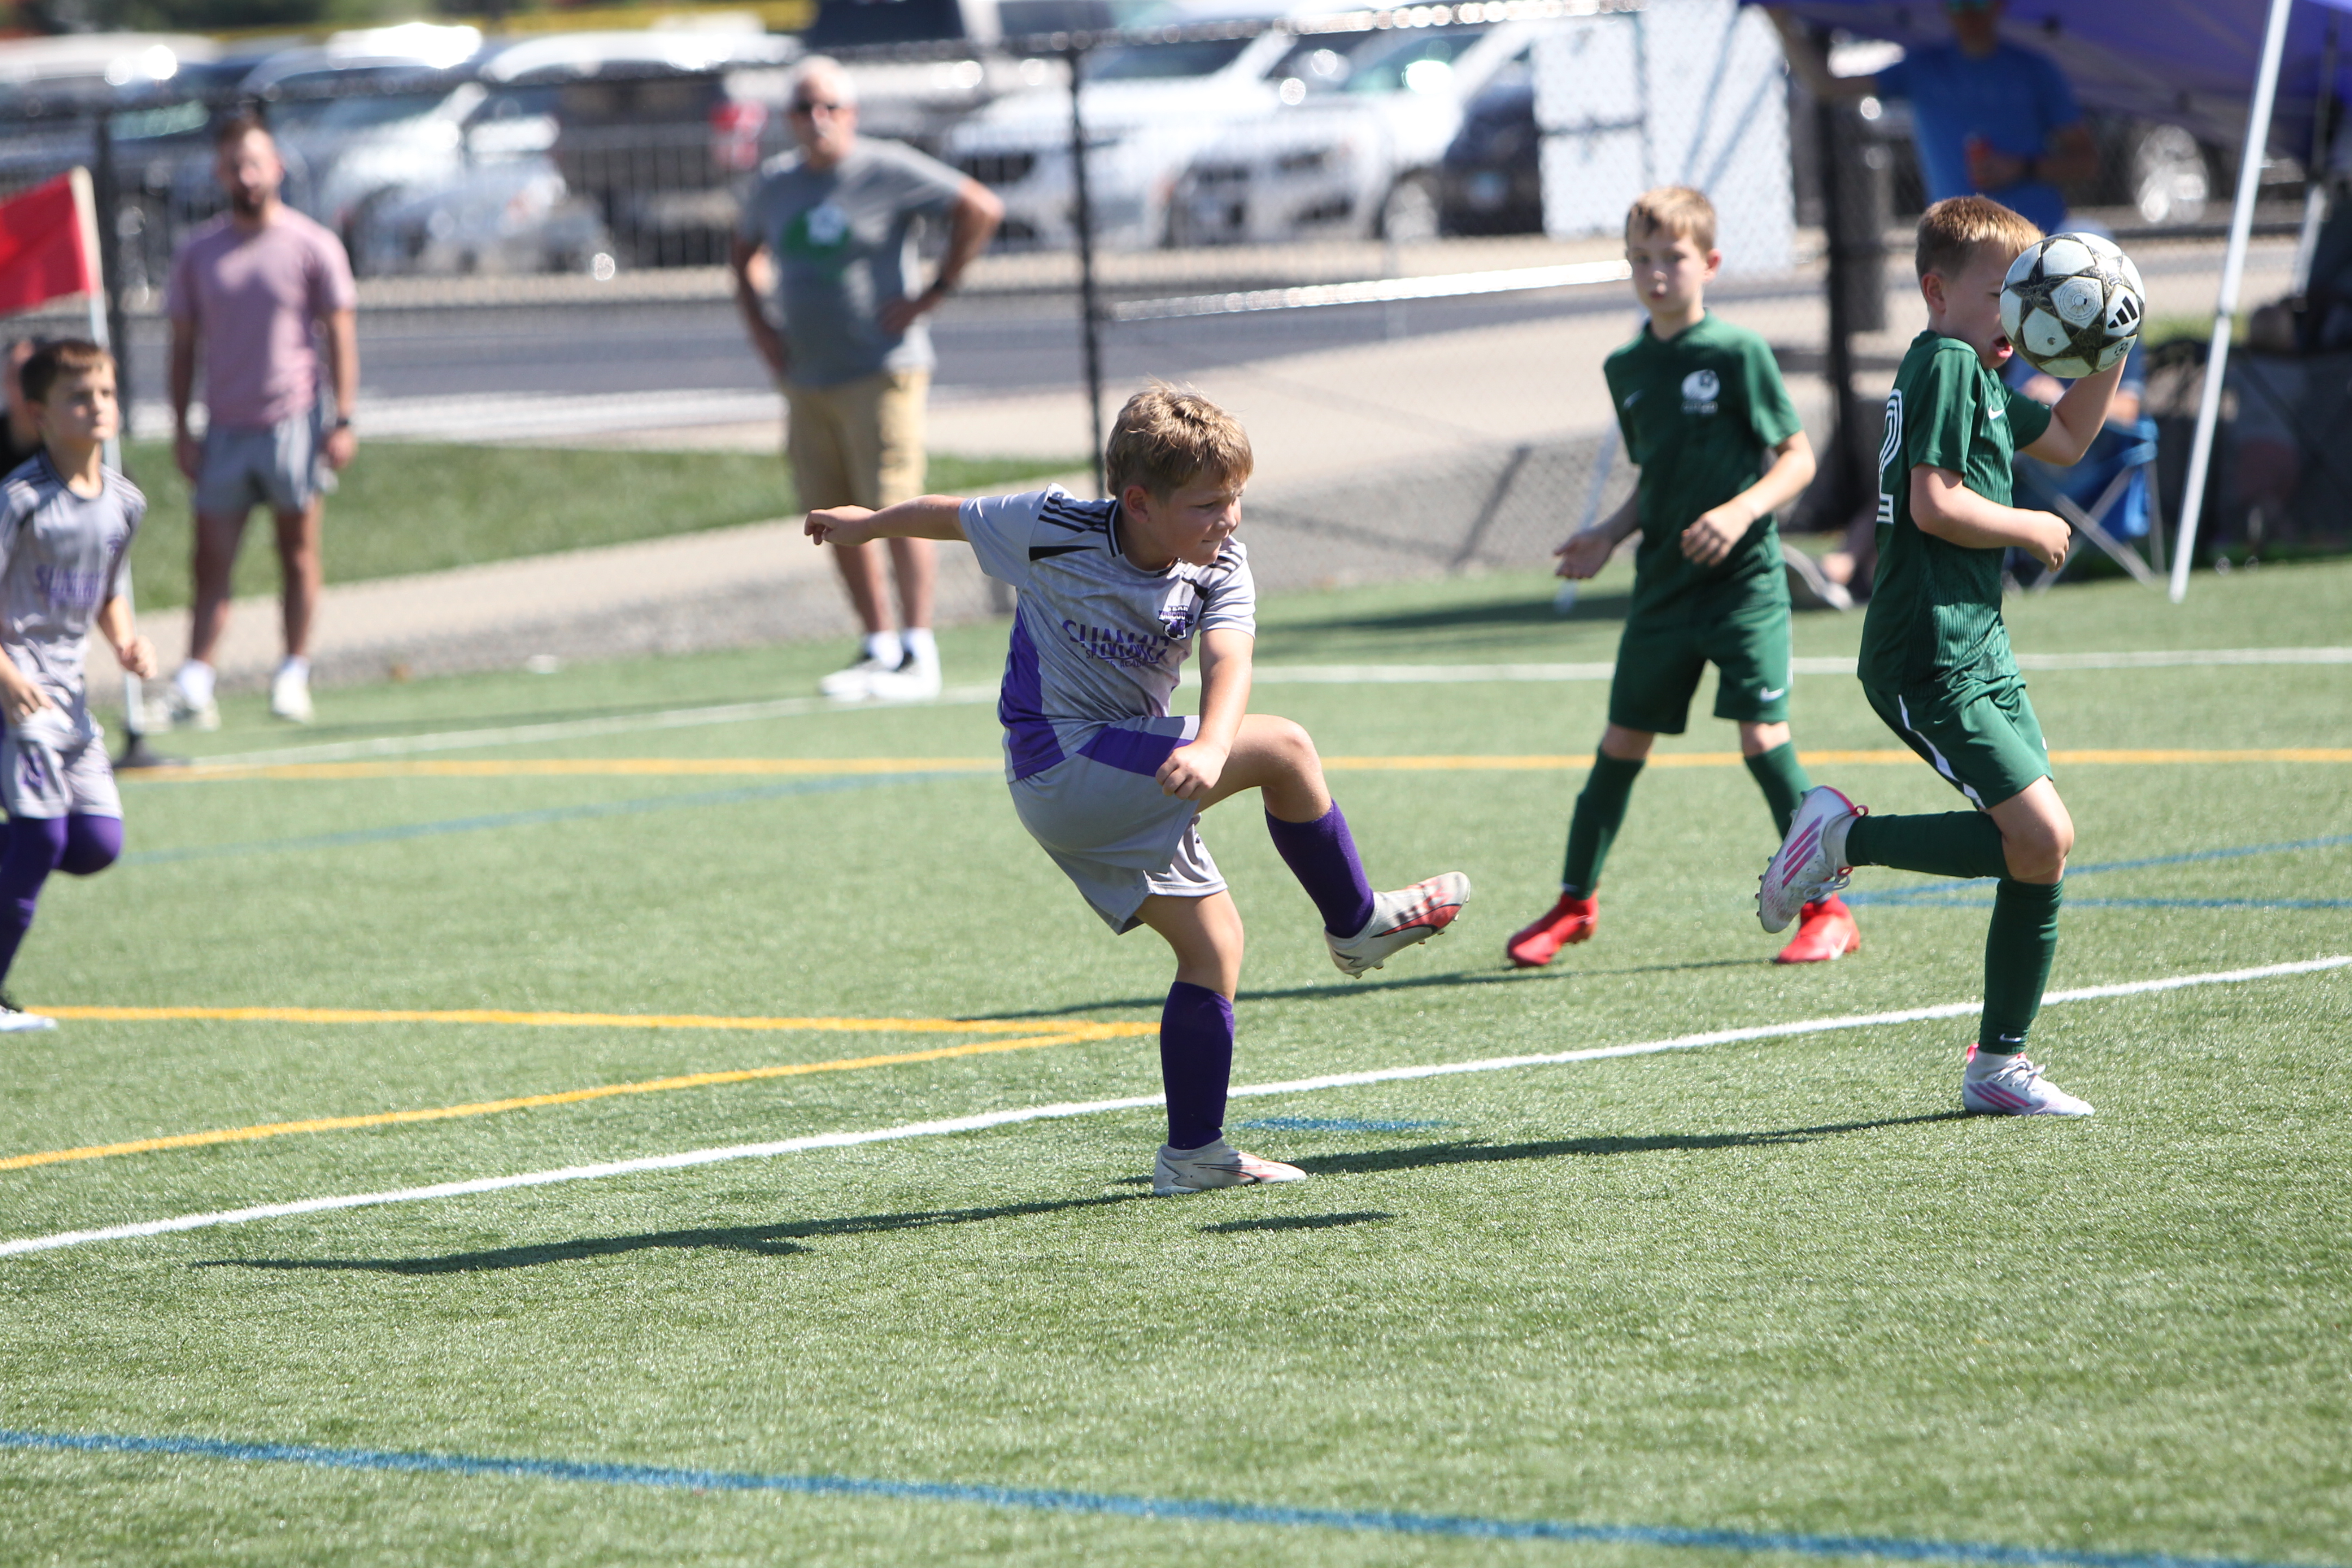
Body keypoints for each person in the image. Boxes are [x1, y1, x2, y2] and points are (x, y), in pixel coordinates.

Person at [803, 389, 1473, 1195]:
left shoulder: (1222, 563)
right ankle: (1356, 922)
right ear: (1139, 502)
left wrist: (1213, 742)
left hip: (1121, 770)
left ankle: (1194, 1155)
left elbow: (1229, 659)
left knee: (1214, 947)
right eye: (1208, 504)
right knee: (1286, 747)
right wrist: (873, 523)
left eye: (1235, 497)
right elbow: (952, 514)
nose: (1228, 519)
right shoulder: (1052, 526)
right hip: (1064, 761)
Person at [1756, 197, 2122, 1117]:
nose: (2021, 315)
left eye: (2030, 296)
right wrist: (2029, 525)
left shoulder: (1977, 372)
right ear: (1937, 292)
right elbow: (1935, 504)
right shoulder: (1951, 363)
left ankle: (1999, 1064)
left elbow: (2069, 438)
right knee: (2041, 840)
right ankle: (1842, 839)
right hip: (1929, 652)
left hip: (1976, 645)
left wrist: (2110, 339)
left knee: (2038, 849)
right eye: (2004, 295)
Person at [1506, 187, 1853, 970]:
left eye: (1673, 258)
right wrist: (1608, 533)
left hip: (1743, 587)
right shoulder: (1626, 367)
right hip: (1662, 589)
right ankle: (1574, 904)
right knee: (1619, 745)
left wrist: (1740, 511)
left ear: (1711, 263)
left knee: (1763, 740)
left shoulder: (1737, 353)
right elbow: (1654, 480)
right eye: (1641, 260)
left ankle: (1828, 909)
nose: (1656, 274)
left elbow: (1797, 458)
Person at [733, 56, 1003, 703]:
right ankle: (878, 644)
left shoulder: (887, 168)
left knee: (893, 506)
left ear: (851, 113)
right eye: (804, 108)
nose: (817, 119)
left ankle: (918, 649)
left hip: (881, 370)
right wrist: (764, 329)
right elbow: (743, 254)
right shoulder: (775, 185)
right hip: (808, 376)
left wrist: (932, 293)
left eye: (829, 106)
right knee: (831, 511)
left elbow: (979, 207)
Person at [164, 111, 358, 730]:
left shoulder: (312, 244)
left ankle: (293, 673)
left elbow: (340, 333)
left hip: (293, 423)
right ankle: (196, 679)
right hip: (225, 426)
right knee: (210, 559)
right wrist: (181, 428)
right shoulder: (199, 252)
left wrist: (343, 418)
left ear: (276, 168)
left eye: (255, 163)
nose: (246, 176)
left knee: (297, 552)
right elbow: (183, 346)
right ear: (220, 174)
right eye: (234, 166)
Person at [0, 339, 157, 1031]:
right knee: (40, 841)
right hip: (17, 694)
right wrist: (7, 675)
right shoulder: (19, 500)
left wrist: (125, 640)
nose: (97, 406)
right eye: (78, 396)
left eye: (106, 393)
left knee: (96, 843)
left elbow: (105, 588)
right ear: (39, 413)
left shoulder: (125, 502)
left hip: (70, 699)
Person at [1772, 0, 2098, 237]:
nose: (1969, 12)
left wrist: (2022, 168)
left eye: (1979, 2)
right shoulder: (1923, 68)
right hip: (1957, 243)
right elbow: (1826, 86)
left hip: (2034, 238)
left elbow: (2085, 161)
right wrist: (1778, 20)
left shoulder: (2036, 70)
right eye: (1957, 3)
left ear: (1999, 4)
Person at [2, 340, 43, 479]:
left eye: (34, 377)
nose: (26, 387)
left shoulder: (66, 442)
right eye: (18, 377)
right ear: (5, 381)